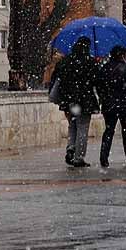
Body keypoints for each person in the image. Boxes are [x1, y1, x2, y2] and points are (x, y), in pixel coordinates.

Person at [52, 37, 101, 168]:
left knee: (72, 125)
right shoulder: (89, 62)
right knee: (82, 127)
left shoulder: (65, 61)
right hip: (85, 100)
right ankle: (79, 157)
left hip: (69, 101)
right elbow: (97, 81)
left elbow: (57, 79)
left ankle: (71, 148)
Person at [97, 45, 126, 167]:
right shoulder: (125, 68)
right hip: (124, 104)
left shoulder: (104, 68)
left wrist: (103, 97)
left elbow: (99, 85)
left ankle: (104, 157)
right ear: (121, 55)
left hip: (109, 104)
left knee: (109, 130)